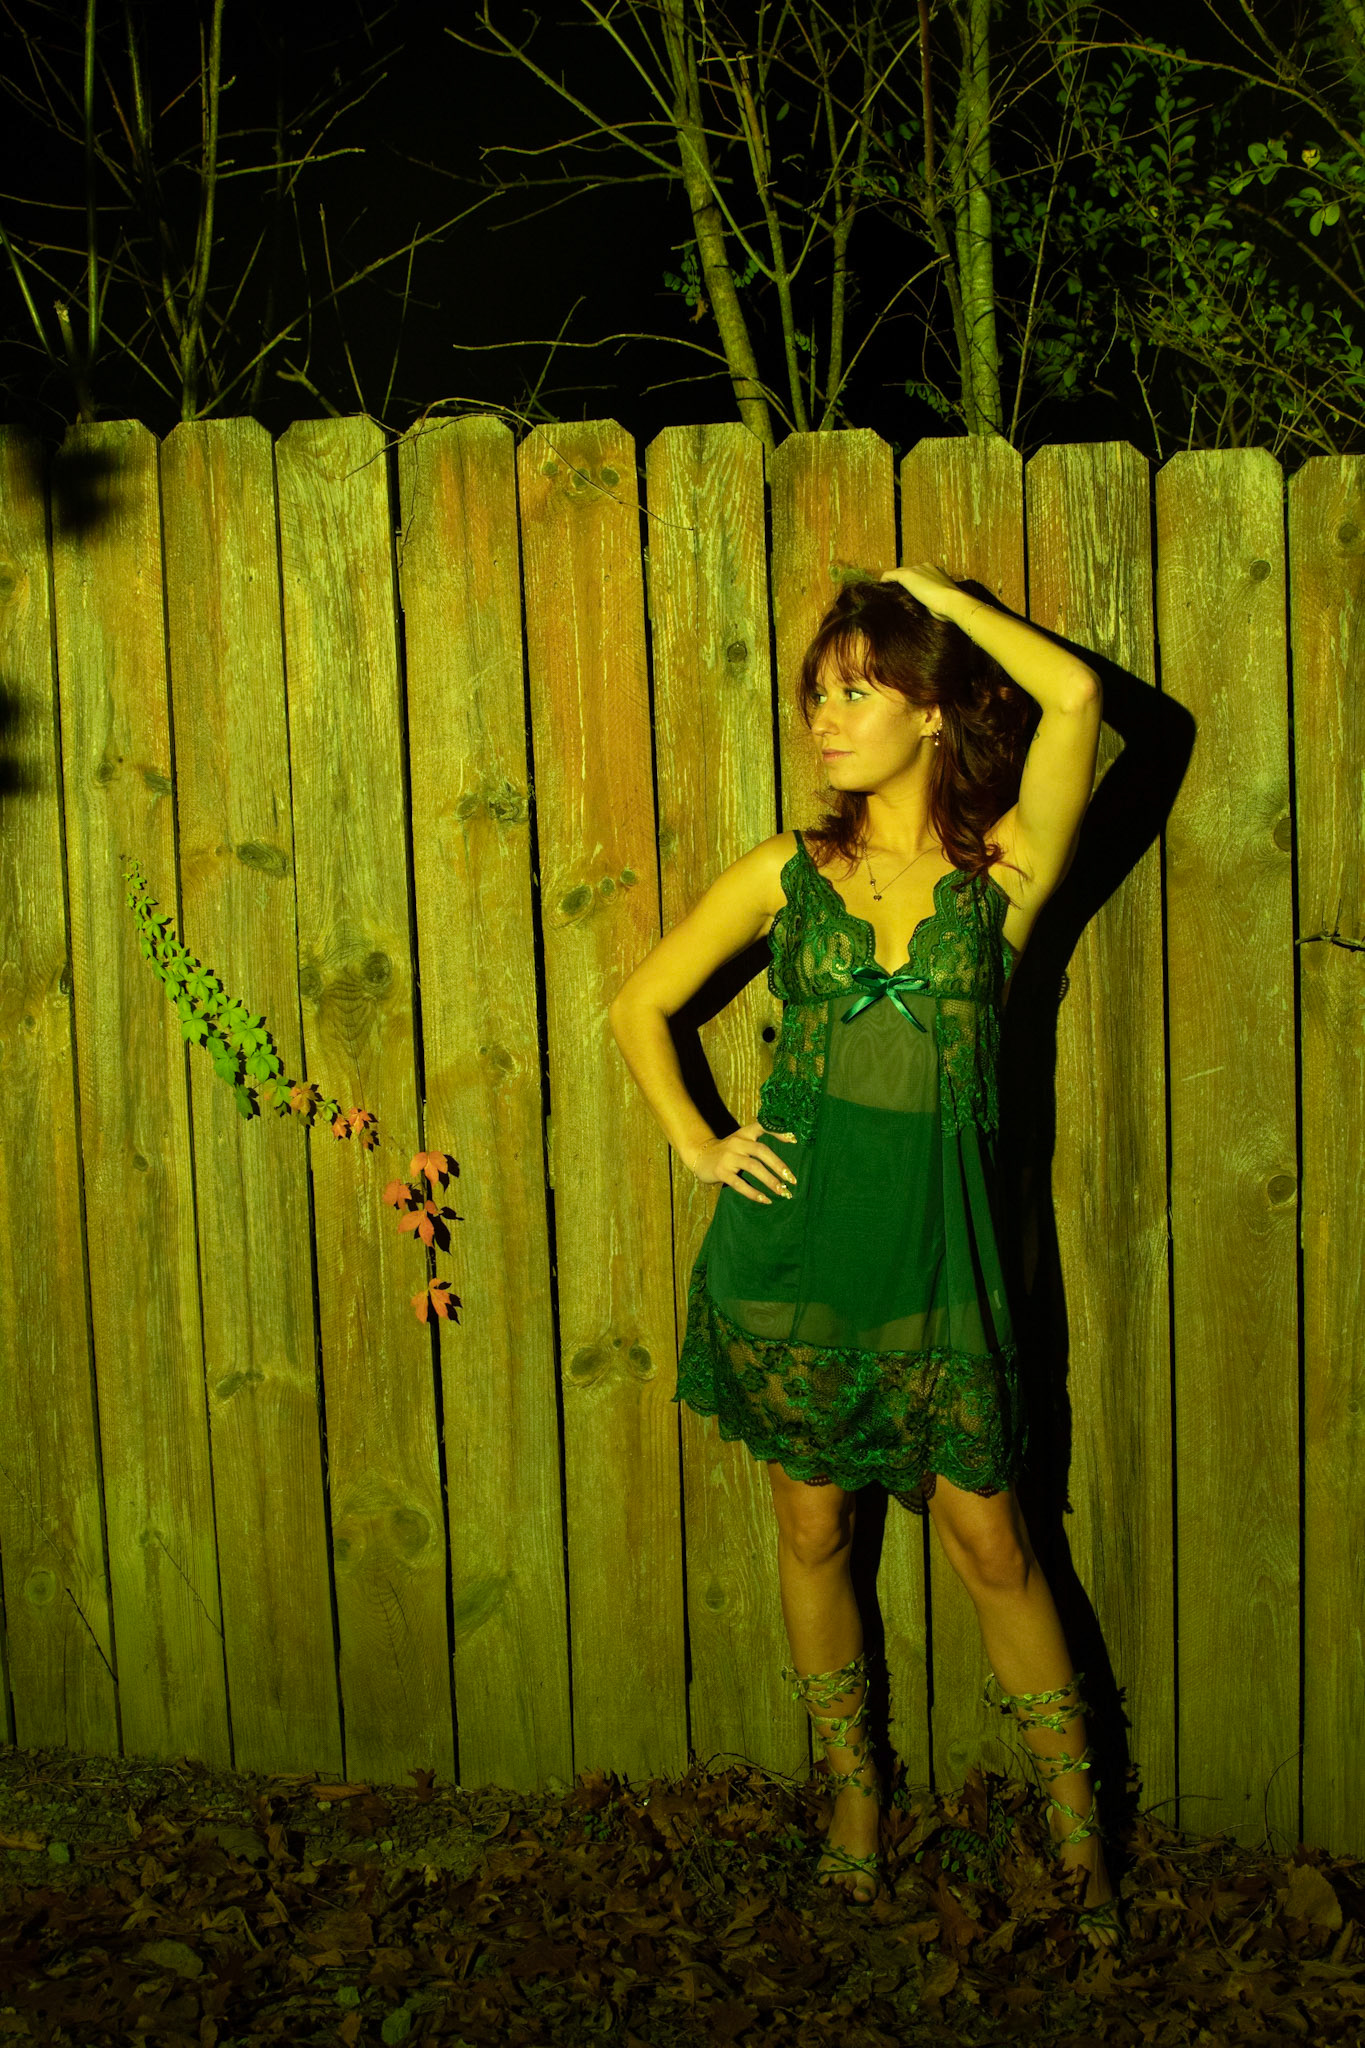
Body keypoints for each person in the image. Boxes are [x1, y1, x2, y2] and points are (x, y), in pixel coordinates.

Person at [607, 564, 1120, 1947]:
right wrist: (702, 1142)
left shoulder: (1004, 874)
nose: (823, 720)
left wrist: (928, 592)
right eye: (816, 697)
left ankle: (1080, 1837)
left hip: (936, 1264)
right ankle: (852, 1799)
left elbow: (1077, 696)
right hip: (790, 1257)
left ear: (931, 711)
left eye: (854, 691)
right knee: (811, 1526)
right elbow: (640, 1004)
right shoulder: (791, 871)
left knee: (992, 1541)